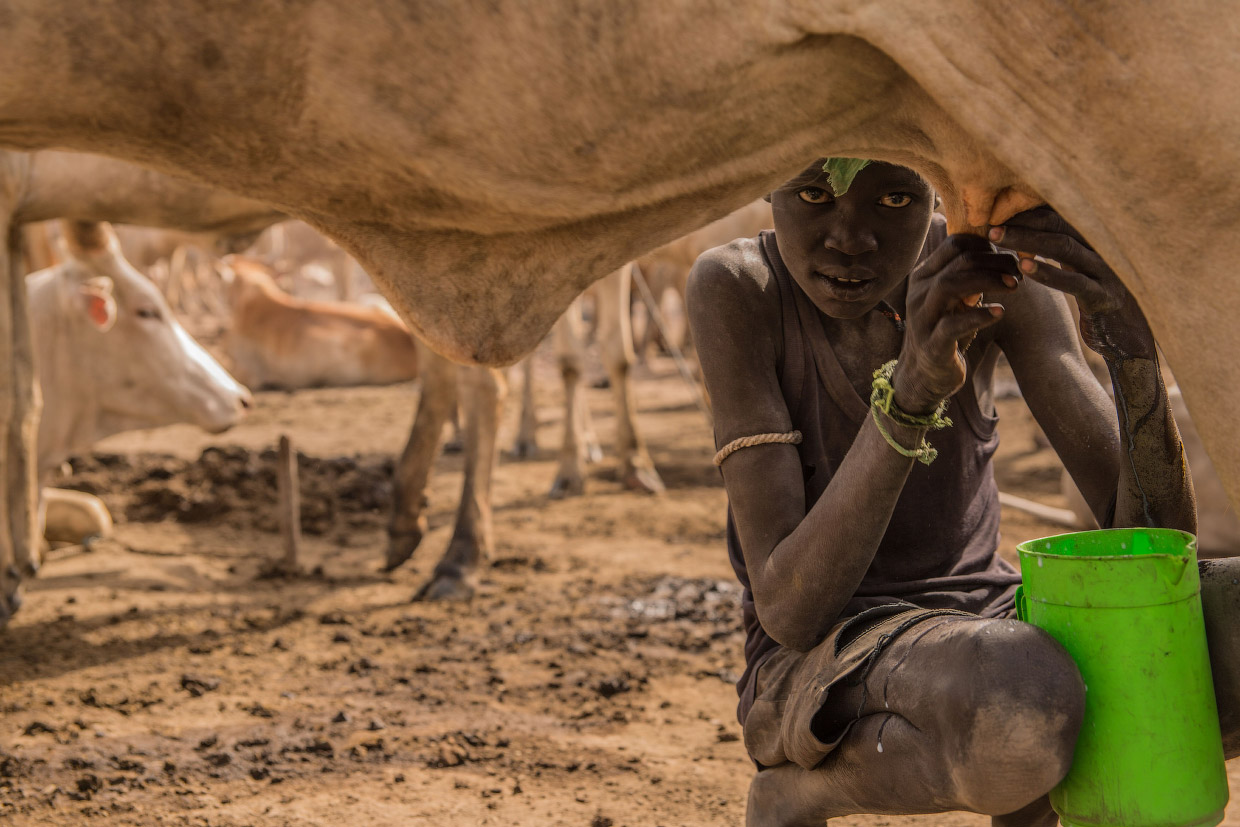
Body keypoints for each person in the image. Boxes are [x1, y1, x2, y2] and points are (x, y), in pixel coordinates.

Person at [685, 158, 1240, 827]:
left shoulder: (987, 276)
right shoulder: (740, 286)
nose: (851, 238)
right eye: (813, 194)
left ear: (937, 189)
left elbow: (1150, 553)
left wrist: (1133, 358)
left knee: (1039, 678)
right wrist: (910, 393)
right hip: (820, 658)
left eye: (894, 197)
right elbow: (791, 612)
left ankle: (1035, 786)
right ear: (768, 180)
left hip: (989, 627)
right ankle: (798, 792)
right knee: (1021, 693)